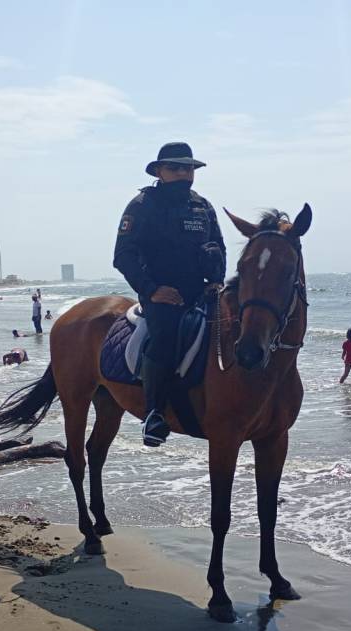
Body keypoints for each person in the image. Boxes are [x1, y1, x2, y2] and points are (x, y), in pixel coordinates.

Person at [113, 141, 226, 446]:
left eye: (188, 168)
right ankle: (154, 414)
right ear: (159, 171)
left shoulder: (203, 206)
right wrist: (152, 291)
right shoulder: (142, 205)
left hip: (203, 291)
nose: (182, 173)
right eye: (174, 167)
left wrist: (217, 280)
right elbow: (123, 255)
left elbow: (219, 246)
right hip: (161, 294)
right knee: (164, 337)